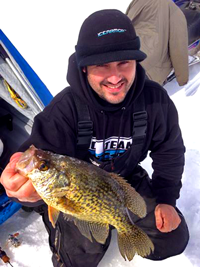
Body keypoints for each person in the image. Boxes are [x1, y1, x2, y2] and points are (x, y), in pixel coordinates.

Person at [0, 9, 189, 267]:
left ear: (136, 60)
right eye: (102, 65)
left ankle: (120, 228)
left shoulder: (155, 101)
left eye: (124, 62)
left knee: (171, 238)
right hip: (74, 190)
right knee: (77, 261)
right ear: (85, 67)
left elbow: (170, 154)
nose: (115, 77)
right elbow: (36, 159)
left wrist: (167, 200)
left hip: (123, 181)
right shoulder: (65, 109)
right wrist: (21, 191)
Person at [126, 0, 189, 86]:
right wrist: (183, 79)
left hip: (127, 55)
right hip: (148, 67)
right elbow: (178, 47)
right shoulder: (174, 10)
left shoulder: (138, 1)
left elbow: (126, 22)